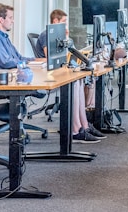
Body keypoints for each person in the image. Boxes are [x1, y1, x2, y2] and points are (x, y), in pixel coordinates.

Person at [36, 8, 105, 143]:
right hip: (49, 76)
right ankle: (75, 129)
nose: (66, 26)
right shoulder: (47, 35)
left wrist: (67, 40)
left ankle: (84, 125)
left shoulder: (63, 36)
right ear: (55, 21)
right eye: (64, 22)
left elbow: (70, 56)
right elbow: (51, 57)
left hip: (61, 71)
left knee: (84, 79)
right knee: (74, 82)